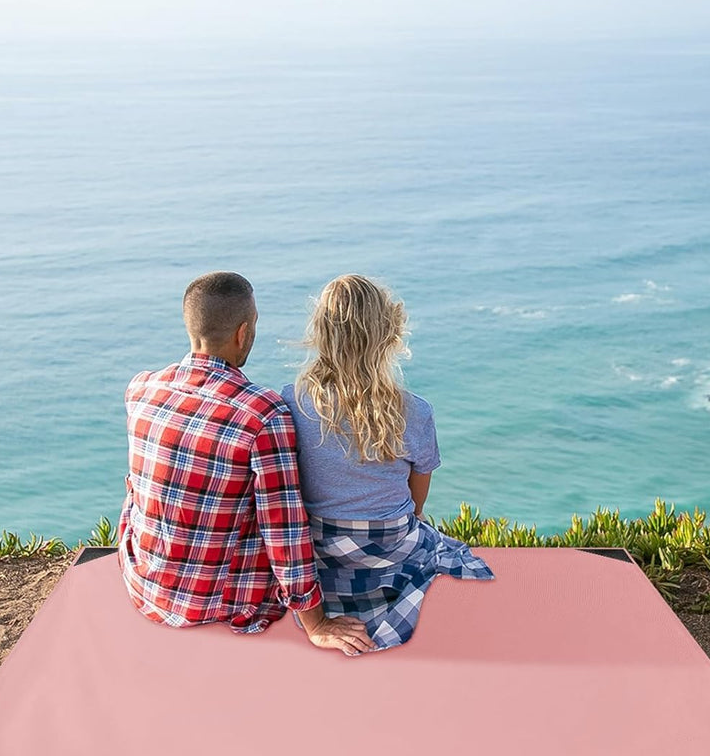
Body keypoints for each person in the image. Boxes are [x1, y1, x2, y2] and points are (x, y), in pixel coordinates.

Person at [116, 271, 375, 656]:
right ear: (243, 333)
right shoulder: (262, 414)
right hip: (219, 604)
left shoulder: (141, 388)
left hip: (144, 585)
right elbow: (284, 530)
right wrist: (316, 623)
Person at [281, 274, 494, 652]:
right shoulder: (415, 411)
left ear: (320, 334)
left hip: (321, 558)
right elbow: (417, 502)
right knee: (434, 541)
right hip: (390, 550)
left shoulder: (290, 403)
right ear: (388, 335)